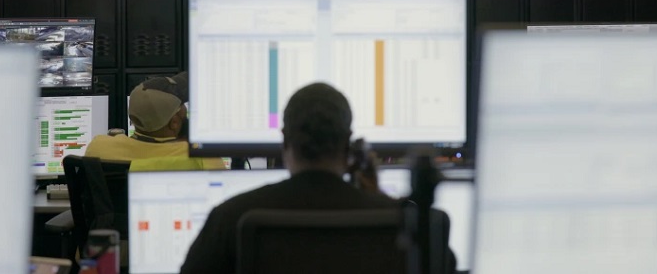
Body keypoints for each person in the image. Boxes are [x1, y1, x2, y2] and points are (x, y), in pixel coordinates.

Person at [179, 82, 456, 274]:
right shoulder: (402, 224)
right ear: (349, 145)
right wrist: (379, 199)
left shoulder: (231, 217)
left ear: (285, 141)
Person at [85, 72, 225, 170]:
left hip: (116, 213)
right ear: (174, 122)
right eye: (182, 105)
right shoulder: (201, 157)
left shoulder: (98, 147)